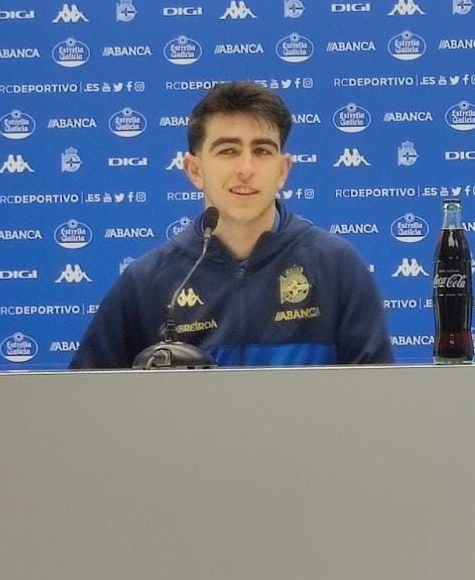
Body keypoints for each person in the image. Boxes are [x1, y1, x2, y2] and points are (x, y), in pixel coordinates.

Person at [71, 82, 393, 368]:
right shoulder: (147, 281)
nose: (246, 168)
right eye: (228, 150)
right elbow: (89, 407)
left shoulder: (336, 266)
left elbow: (375, 401)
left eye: (262, 150)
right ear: (194, 170)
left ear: (282, 170)